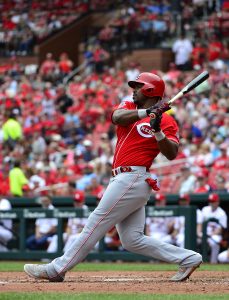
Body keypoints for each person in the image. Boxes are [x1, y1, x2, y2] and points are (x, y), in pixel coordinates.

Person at [24, 72, 202, 282]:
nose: (134, 90)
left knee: (96, 221)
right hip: (124, 178)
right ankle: (189, 258)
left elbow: (171, 153)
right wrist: (148, 112)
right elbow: (116, 117)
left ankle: (56, 269)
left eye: (138, 86)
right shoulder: (129, 107)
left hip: (134, 177)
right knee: (132, 240)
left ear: (150, 90)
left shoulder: (167, 121)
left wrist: (157, 131)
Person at [201, 193, 227, 264]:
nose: (211, 203)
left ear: (218, 202)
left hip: (215, 235)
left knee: (214, 242)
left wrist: (210, 235)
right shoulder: (205, 209)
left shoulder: (222, 213)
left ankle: (213, 262)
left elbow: (221, 229)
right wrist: (202, 234)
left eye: (213, 201)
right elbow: (200, 224)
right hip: (203, 233)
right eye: (210, 201)